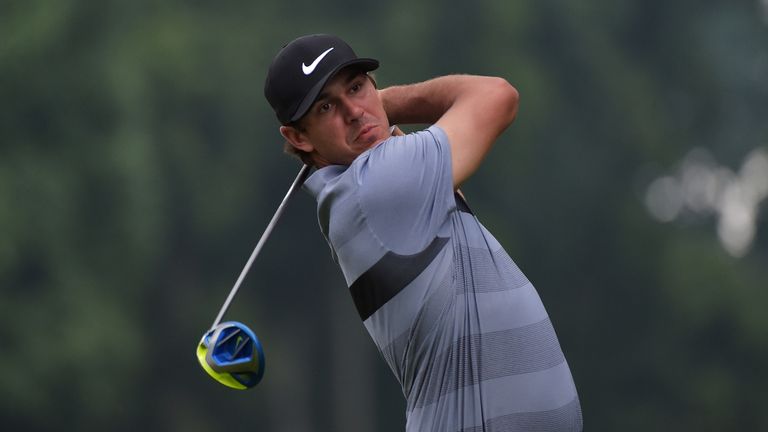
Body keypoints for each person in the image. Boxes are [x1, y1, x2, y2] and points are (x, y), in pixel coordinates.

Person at [264, 34, 582, 432]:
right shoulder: (378, 184)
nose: (353, 111)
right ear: (298, 137)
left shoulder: (375, 185)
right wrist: (386, 103)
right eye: (327, 106)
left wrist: (370, 113)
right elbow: (498, 96)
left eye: (357, 87)